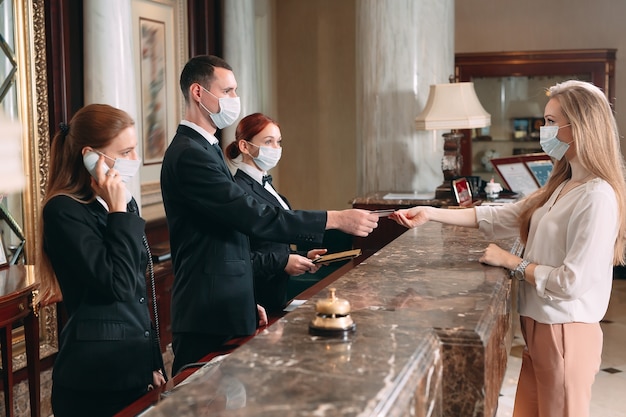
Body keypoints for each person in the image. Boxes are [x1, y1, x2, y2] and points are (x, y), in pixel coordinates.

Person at [390, 80, 626, 417]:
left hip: (565, 332)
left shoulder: (597, 196)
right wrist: (431, 214)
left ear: (580, 127)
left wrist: (513, 262)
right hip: (538, 327)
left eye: (549, 122)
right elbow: (498, 216)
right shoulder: (562, 183)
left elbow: (572, 282)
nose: (541, 130)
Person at [160, 55, 378, 376]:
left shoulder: (205, 148)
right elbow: (251, 215)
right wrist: (333, 219)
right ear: (198, 92)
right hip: (206, 312)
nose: (235, 100)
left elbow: (226, 241)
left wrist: (244, 301)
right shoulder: (190, 153)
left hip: (227, 304)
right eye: (229, 91)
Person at [37, 104, 167, 416]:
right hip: (93, 381)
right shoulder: (63, 211)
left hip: (130, 370)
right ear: (90, 156)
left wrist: (149, 363)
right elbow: (117, 285)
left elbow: (136, 296)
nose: (135, 160)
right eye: (126, 151)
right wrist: (119, 211)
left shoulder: (110, 204)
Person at [225, 112, 327, 312]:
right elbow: (241, 256)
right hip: (254, 300)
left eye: (278, 142)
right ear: (245, 146)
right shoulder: (238, 191)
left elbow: (273, 244)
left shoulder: (269, 188)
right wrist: (283, 262)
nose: (276, 149)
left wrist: (302, 256)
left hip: (277, 295)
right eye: (268, 142)